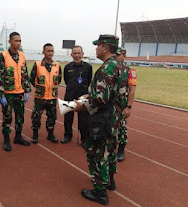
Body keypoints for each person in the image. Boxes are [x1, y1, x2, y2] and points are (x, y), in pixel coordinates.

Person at [74, 35, 126, 205]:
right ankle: (110, 181)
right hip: (117, 119)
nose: (95, 49)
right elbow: (114, 94)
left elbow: (102, 99)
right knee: (110, 151)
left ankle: (100, 192)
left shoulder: (106, 68)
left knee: (96, 154)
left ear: (105, 48)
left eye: (98, 46)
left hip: (104, 119)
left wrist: (83, 105)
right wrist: (91, 95)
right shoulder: (121, 66)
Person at [0, 32, 31, 151]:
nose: (18, 43)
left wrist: (27, 91)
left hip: (20, 93)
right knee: (7, 117)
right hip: (8, 93)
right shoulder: (4, 55)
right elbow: (0, 76)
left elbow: (25, 74)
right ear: (10, 41)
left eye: (20, 41)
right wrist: (2, 95)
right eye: (16, 41)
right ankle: (6, 139)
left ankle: (18, 137)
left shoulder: (22, 55)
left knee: (20, 116)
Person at [30, 43, 62, 144]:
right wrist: (40, 88)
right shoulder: (38, 65)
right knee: (36, 116)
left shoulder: (57, 66)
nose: (50, 53)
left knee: (52, 117)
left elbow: (59, 80)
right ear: (43, 52)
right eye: (48, 51)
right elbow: (32, 79)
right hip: (40, 97)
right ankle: (35, 134)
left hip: (52, 97)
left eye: (52, 51)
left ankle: (50, 134)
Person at [61, 45, 92, 145]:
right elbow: (66, 80)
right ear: (71, 55)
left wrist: (83, 94)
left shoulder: (88, 67)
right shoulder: (67, 67)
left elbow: (89, 81)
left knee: (83, 120)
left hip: (82, 97)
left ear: (82, 54)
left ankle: (84, 139)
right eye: (75, 53)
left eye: (79, 53)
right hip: (69, 96)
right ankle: (67, 136)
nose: (77, 55)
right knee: (68, 118)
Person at [116, 47, 137, 162]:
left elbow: (132, 90)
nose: (116, 58)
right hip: (110, 105)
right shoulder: (111, 69)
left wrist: (128, 107)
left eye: (118, 55)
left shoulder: (130, 71)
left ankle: (121, 149)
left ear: (124, 56)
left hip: (122, 105)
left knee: (122, 128)